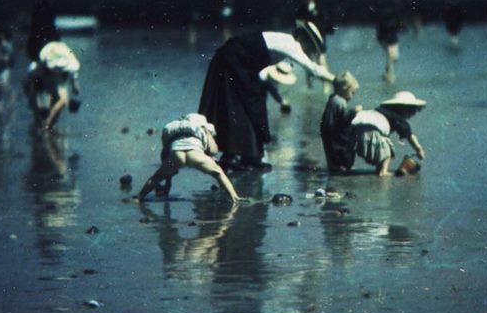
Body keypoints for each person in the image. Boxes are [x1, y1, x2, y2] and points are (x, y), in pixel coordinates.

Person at [198, 27, 335, 171]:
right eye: (310, 47)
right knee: (240, 107)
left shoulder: (281, 40)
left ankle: (247, 156)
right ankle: (238, 156)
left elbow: (261, 72)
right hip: (233, 58)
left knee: (247, 106)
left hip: (236, 60)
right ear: (304, 39)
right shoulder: (292, 45)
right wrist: (335, 79)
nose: (308, 51)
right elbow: (312, 68)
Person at [135, 113, 240, 203]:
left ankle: (139, 197)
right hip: (195, 154)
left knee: (156, 177)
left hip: (176, 154)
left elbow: (165, 152)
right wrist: (209, 142)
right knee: (218, 173)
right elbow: (213, 150)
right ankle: (235, 197)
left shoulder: (172, 128)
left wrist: (168, 178)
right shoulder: (202, 129)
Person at [353, 91, 426, 176]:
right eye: (412, 110)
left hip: (355, 134)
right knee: (387, 150)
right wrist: (419, 150)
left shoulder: (378, 111)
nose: (413, 114)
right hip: (373, 132)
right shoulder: (397, 118)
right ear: (404, 108)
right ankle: (382, 171)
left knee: (380, 145)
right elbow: (409, 135)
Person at [25, 41, 81, 131]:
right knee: (42, 108)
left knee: (62, 100)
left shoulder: (72, 66)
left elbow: (75, 82)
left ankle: (48, 125)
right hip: (45, 75)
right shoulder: (41, 62)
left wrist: (74, 86)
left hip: (61, 77)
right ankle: (43, 125)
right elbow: (30, 81)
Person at [320, 72, 363, 173]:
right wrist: (354, 112)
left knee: (333, 151)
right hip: (335, 132)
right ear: (344, 89)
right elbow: (344, 120)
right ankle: (342, 167)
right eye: (352, 92)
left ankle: (337, 166)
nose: (352, 96)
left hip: (329, 131)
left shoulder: (333, 99)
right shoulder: (339, 101)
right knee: (342, 150)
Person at [376, 10, 403, 83]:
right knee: (391, 58)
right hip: (388, 40)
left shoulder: (392, 21)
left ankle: (387, 75)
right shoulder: (386, 22)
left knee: (393, 58)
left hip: (391, 40)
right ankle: (389, 77)